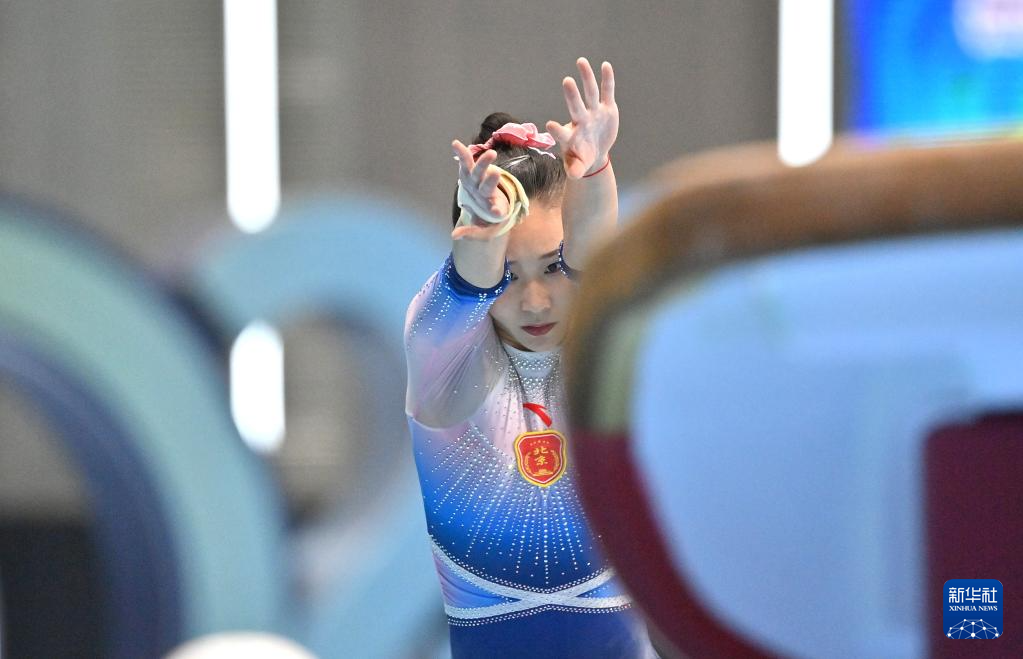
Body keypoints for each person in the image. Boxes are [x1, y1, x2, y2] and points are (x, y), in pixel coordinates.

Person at [404, 58, 656, 658]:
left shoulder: (601, 350)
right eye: (509, 276)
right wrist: (484, 235)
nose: (535, 299)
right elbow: (469, 281)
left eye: (553, 267)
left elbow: (596, 254)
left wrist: (594, 170)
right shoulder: (443, 364)